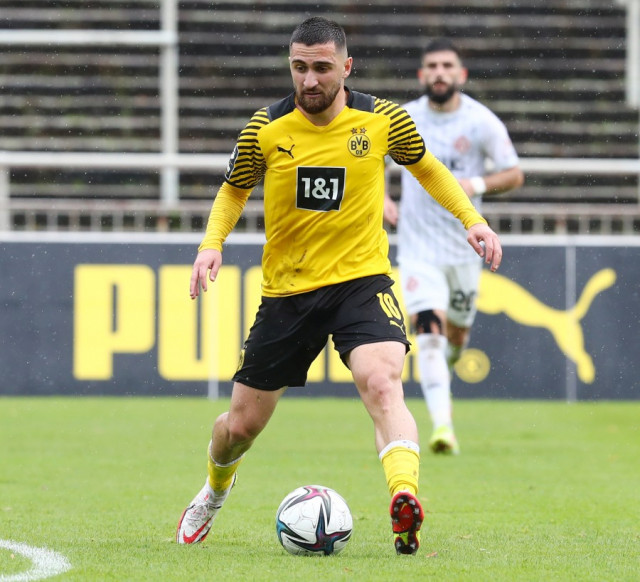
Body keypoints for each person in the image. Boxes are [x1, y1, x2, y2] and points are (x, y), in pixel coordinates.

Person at [176, 18, 502, 556]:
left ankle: (404, 497)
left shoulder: (382, 120)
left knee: (383, 382)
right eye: (299, 67)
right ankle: (213, 491)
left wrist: (472, 220)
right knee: (240, 427)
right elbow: (234, 190)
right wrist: (211, 244)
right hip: (288, 292)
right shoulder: (266, 128)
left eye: (322, 68)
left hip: (361, 282)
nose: (309, 80)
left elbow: (427, 169)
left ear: (346, 67)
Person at [384, 38, 524, 455]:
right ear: (421, 75)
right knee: (428, 333)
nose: (439, 72)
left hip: (465, 249)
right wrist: (381, 197)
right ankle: (443, 427)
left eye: (447, 66)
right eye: (432, 66)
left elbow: (514, 173)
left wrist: (474, 184)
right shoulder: (405, 118)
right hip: (418, 249)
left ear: (460, 74)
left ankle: (442, 376)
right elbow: (371, 162)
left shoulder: (481, 122)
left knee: (455, 335)